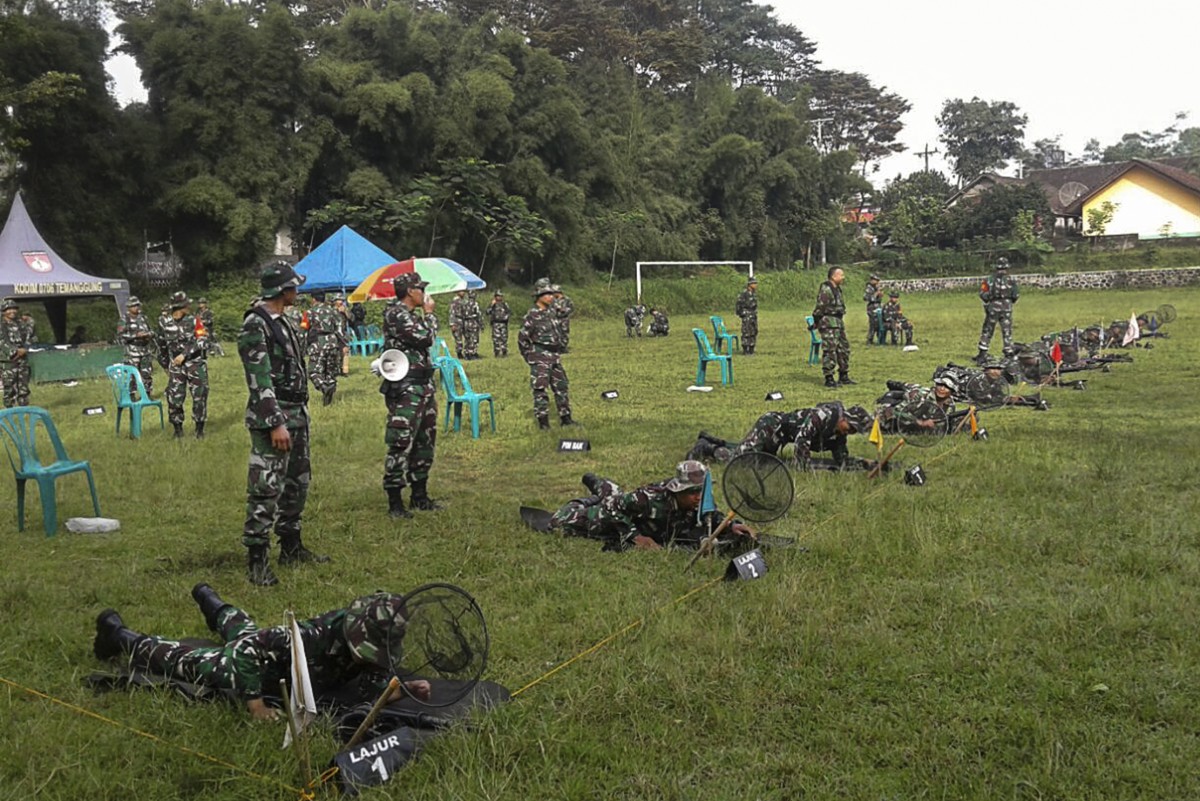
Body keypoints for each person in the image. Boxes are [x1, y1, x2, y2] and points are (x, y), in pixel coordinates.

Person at [92, 585, 432, 721]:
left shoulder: (373, 648)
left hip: (270, 654)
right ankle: (120, 636)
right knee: (196, 662)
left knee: (244, 629)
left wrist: (399, 688)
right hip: (260, 669)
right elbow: (251, 650)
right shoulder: (310, 637)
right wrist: (255, 703)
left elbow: (372, 680)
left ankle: (212, 602)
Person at [237, 262, 328, 586]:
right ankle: (257, 559)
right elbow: (258, 379)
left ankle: (291, 545)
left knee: (296, 482)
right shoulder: (255, 325)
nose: (297, 290)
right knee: (265, 487)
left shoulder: (283, 321)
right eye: (293, 286)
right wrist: (275, 423)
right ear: (281, 290)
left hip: (296, 414)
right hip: (273, 418)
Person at [548, 460, 751, 551]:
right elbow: (613, 508)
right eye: (692, 492)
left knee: (616, 496)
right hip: (614, 514)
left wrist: (731, 525)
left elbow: (710, 514)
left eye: (701, 491)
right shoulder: (648, 498)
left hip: (630, 508)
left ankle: (606, 487)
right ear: (678, 491)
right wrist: (635, 537)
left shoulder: (700, 498)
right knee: (558, 521)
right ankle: (589, 499)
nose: (699, 497)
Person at [381, 272, 442, 520]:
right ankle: (395, 501)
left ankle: (420, 495)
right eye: (420, 289)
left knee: (424, 440)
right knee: (401, 441)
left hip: (422, 385)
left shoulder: (408, 315)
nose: (423, 293)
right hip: (406, 388)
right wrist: (429, 314)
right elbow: (426, 338)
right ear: (410, 291)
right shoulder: (397, 314)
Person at [687, 402, 875, 471]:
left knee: (758, 461)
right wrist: (803, 469)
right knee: (740, 461)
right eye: (850, 428)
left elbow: (841, 459)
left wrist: (863, 463)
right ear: (844, 418)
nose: (849, 432)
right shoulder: (822, 416)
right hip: (772, 426)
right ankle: (707, 447)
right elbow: (802, 440)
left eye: (853, 432)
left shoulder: (838, 436)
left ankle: (714, 441)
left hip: (782, 437)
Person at [518, 283, 574, 430]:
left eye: (551, 294)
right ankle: (543, 422)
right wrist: (530, 356)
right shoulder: (532, 315)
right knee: (540, 389)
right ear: (539, 297)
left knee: (561, 386)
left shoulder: (551, 312)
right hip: (540, 355)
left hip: (554, 355)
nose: (551, 297)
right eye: (547, 295)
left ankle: (566, 418)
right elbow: (523, 338)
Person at [158, 291, 209, 438]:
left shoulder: (195, 321)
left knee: (199, 396)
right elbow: (161, 345)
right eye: (187, 304)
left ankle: (199, 430)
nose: (190, 306)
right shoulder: (165, 324)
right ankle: (177, 430)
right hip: (176, 366)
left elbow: (203, 340)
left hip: (195, 364)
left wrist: (185, 354)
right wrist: (165, 365)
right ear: (180, 306)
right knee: (174, 398)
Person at [813, 266, 852, 387]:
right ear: (834, 276)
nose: (843, 277)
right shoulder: (826, 289)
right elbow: (820, 308)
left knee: (843, 349)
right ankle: (829, 377)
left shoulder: (837, 289)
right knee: (830, 350)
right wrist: (818, 322)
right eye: (841, 275)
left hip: (838, 323)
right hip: (829, 323)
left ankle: (843, 375)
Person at [975, 256, 1019, 364]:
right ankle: (1008, 352)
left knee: (988, 329)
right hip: (1006, 307)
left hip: (993, 307)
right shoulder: (1011, 280)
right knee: (1007, 330)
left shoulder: (989, 279)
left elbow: (982, 293)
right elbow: (1016, 295)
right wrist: (1008, 301)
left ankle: (983, 352)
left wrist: (989, 300)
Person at [876, 376, 956, 433]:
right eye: (940, 385)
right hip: (893, 419)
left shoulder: (950, 405)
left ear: (952, 391)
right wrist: (920, 422)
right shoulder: (919, 395)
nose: (942, 389)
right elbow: (896, 411)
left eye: (946, 387)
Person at [306, 292, 346, 405]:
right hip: (333, 342)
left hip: (318, 343)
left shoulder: (309, 312)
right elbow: (340, 330)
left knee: (313, 371)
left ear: (313, 299)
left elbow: (303, 330)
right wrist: (344, 344)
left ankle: (323, 387)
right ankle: (328, 400)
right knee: (330, 372)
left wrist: (301, 347)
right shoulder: (334, 311)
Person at [117, 296, 156, 399]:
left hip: (145, 350)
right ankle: (131, 395)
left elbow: (152, 331)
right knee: (131, 374)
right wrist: (135, 336)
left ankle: (147, 394)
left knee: (146, 372)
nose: (136, 307)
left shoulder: (144, 318)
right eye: (134, 306)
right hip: (132, 351)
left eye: (137, 305)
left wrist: (148, 334)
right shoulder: (124, 319)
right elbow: (120, 336)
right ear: (129, 307)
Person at [0, 299, 33, 408]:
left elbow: (29, 337)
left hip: (23, 358)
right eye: (9, 309)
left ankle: (24, 406)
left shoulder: (21, 324)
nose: (12, 311)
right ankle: (9, 408)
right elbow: (2, 341)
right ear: (4, 311)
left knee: (23, 384)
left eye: (14, 309)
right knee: (9, 385)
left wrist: (25, 348)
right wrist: (15, 351)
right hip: (8, 359)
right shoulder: (1, 325)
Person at [485, 290, 511, 357]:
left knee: (504, 338)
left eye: (500, 296)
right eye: (498, 296)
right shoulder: (493, 305)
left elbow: (509, 312)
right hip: (495, 323)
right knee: (496, 339)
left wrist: (505, 318)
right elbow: (487, 312)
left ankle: (504, 351)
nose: (499, 297)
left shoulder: (505, 304)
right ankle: (497, 352)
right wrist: (492, 305)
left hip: (503, 323)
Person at [736, 277, 759, 355]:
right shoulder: (744, 294)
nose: (756, 285)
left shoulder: (753, 294)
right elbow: (739, 305)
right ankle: (746, 349)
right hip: (747, 316)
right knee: (746, 332)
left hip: (753, 316)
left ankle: (751, 348)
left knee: (753, 331)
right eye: (754, 283)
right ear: (749, 285)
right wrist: (743, 314)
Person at [460, 290, 483, 360]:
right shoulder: (475, 304)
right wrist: (481, 324)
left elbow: (461, 313)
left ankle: (467, 352)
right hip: (473, 322)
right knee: (474, 338)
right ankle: (472, 353)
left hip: (466, 323)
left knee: (467, 339)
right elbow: (479, 314)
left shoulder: (464, 303)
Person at [552, 285, 575, 353]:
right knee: (555, 333)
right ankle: (556, 347)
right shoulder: (552, 300)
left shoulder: (567, 299)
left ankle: (563, 347)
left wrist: (564, 310)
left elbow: (571, 308)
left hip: (564, 318)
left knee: (564, 333)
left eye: (554, 292)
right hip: (555, 318)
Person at [863, 274, 883, 345]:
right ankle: (869, 339)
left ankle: (879, 339)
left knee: (878, 323)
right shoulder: (869, 288)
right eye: (876, 281)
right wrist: (876, 294)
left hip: (878, 306)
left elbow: (879, 298)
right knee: (872, 324)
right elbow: (866, 298)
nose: (877, 282)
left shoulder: (876, 288)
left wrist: (880, 295)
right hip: (872, 308)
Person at [448, 289, 467, 359]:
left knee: (467, 337)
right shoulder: (455, 300)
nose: (463, 293)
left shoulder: (464, 300)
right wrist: (452, 323)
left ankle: (468, 352)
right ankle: (459, 353)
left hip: (464, 320)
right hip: (457, 321)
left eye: (464, 291)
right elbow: (452, 312)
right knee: (458, 338)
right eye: (461, 291)